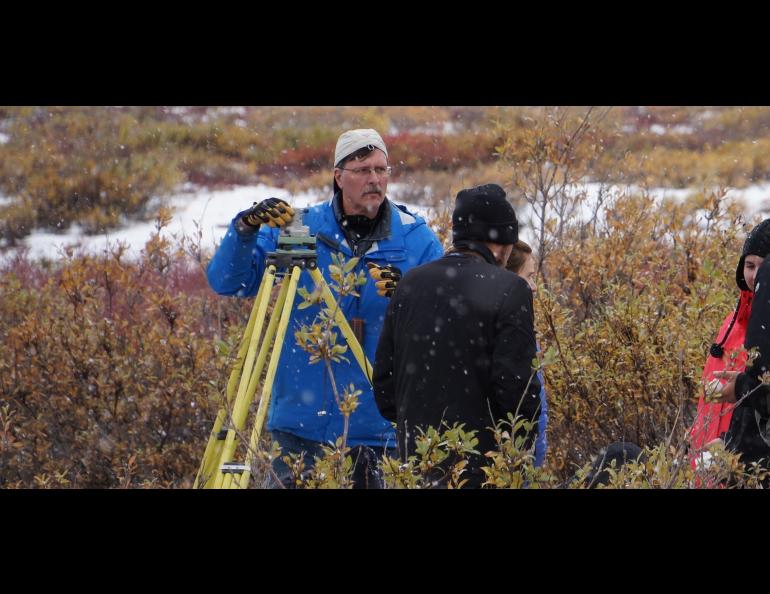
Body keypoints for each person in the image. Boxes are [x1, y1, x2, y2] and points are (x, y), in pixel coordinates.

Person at [206, 128, 444, 487]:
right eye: (363, 170)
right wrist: (245, 229)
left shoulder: (415, 238)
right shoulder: (299, 229)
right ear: (338, 176)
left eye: (382, 170)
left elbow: (443, 319)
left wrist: (410, 293)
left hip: (378, 427)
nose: (375, 180)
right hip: (299, 425)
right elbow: (229, 281)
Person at [372, 183, 542, 488]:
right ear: (503, 242)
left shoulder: (410, 284)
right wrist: (518, 452)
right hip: (482, 470)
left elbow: (385, 388)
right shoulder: (509, 289)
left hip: (417, 464)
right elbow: (517, 391)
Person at [690, 219, 770, 470]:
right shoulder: (733, 323)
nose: (755, 275)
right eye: (749, 265)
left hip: (743, 461)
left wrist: (733, 447)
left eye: (763, 267)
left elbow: (759, 397)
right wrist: (699, 437)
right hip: (718, 450)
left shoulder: (759, 329)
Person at [506, 240, 549, 468]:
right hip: (514, 463)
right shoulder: (512, 336)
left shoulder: (525, 329)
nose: (534, 287)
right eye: (529, 276)